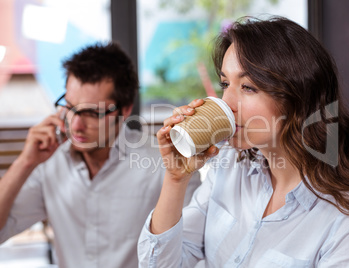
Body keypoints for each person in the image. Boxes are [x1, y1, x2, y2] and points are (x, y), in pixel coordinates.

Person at [137, 17, 349, 267]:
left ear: (298, 97)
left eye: (248, 87)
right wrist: (175, 179)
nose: (226, 103)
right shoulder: (229, 166)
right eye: (225, 84)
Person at [0, 42, 200, 268]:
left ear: (125, 110)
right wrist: (24, 162)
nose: (75, 125)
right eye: (69, 107)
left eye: (92, 113)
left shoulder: (166, 165)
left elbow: (188, 255)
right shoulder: (49, 161)